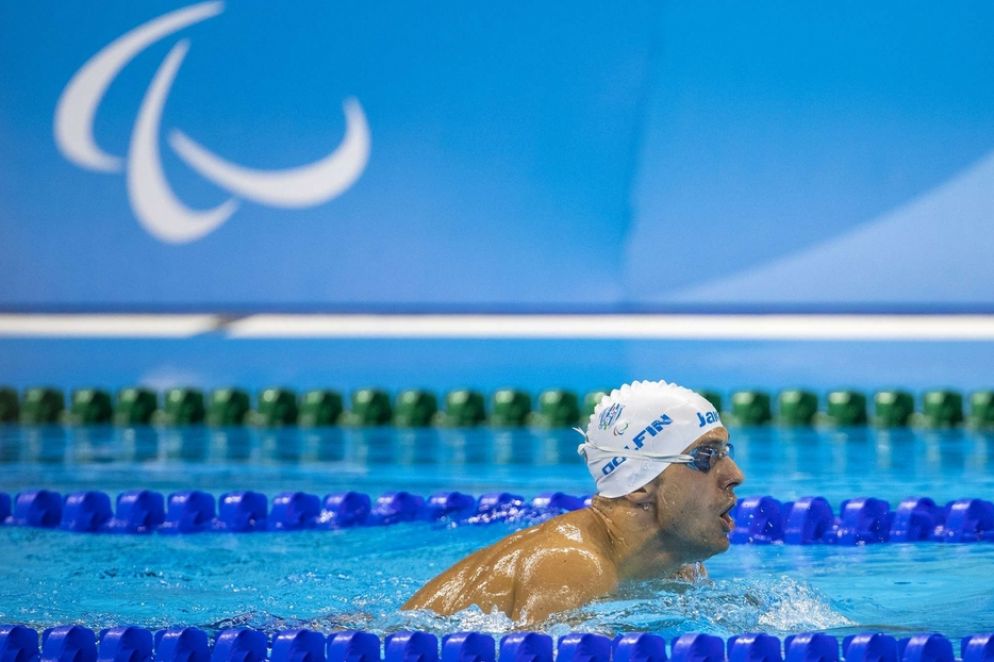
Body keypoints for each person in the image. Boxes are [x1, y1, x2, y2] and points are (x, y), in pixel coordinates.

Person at [402, 380, 744, 625]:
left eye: (726, 453)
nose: (735, 475)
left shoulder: (680, 569)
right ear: (640, 485)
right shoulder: (569, 565)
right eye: (706, 456)